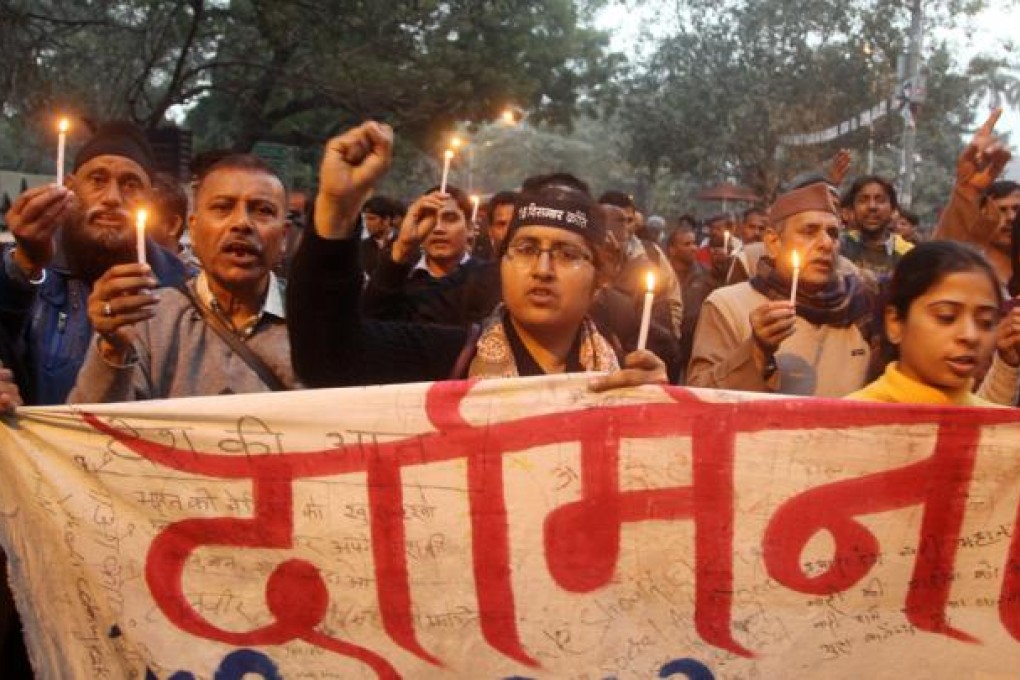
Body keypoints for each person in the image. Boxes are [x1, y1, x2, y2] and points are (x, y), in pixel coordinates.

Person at [288, 121, 665, 390]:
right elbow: (325, 357)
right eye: (526, 249)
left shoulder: (624, 374)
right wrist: (337, 212)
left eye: (567, 254)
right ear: (502, 262)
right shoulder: (449, 357)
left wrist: (658, 409)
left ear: (600, 278)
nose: (543, 269)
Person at [68, 154, 297, 402]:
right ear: (194, 230)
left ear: (284, 237)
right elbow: (93, 430)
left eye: (262, 210)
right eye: (222, 207)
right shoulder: (147, 317)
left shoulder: (319, 323)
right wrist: (113, 351)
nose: (241, 223)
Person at [0, 121, 188, 405]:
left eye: (130, 184)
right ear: (69, 188)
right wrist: (25, 266)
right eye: (97, 180)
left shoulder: (184, 285)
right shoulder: (24, 269)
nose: (112, 198)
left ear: (151, 200)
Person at [687, 182, 878, 396]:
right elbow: (699, 397)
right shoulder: (727, 305)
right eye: (809, 231)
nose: (826, 243)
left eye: (833, 233)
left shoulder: (860, 306)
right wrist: (757, 350)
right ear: (773, 242)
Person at [848, 241, 1020, 406]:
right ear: (895, 323)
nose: (970, 335)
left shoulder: (1001, 428)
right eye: (947, 317)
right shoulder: (841, 425)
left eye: (986, 322)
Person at [360, 185, 500, 326]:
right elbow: (369, 322)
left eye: (450, 218)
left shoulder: (493, 278)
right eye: (429, 220)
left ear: (470, 228)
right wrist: (402, 249)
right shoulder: (399, 280)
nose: (438, 228)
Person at [933, 109, 1015, 293]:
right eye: (1001, 210)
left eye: (1017, 210)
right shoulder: (965, 268)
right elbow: (933, 267)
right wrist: (968, 191)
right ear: (984, 218)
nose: (1011, 218)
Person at [598, 190, 684, 340]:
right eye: (615, 221)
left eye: (629, 220)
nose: (625, 228)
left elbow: (672, 304)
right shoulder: (580, 259)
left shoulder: (651, 256)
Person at [666, 225, 718, 381]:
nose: (694, 248)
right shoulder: (662, 274)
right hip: (667, 344)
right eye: (687, 244)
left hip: (694, 344)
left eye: (694, 243)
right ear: (672, 249)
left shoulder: (706, 276)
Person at [839, 174, 913, 277]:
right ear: (852, 209)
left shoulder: (908, 254)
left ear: (893, 210)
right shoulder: (840, 246)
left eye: (880, 200)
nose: (872, 206)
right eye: (863, 200)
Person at [360, 194, 401, 277]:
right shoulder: (361, 247)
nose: (367, 223)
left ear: (386, 220)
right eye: (366, 219)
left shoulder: (402, 244)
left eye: (372, 219)